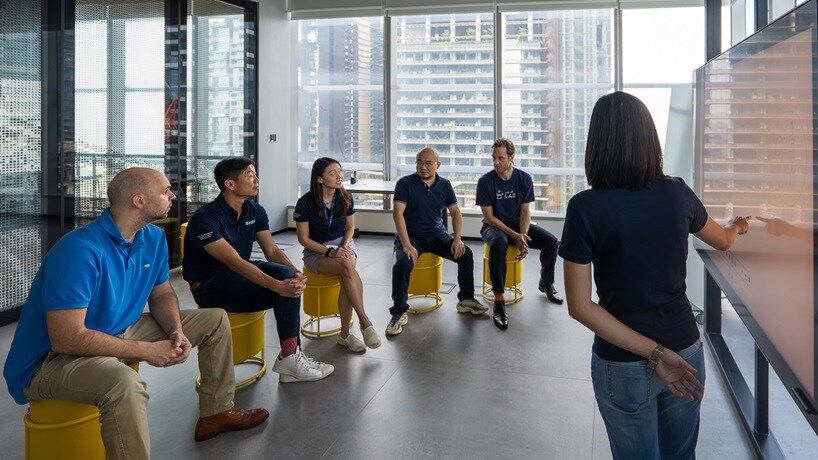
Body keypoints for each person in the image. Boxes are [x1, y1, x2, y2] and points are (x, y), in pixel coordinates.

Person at [3, 167, 269, 459]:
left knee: (214, 319)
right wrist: (146, 350)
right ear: (139, 201)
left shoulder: (152, 238)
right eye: (165, 190)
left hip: (116, 331)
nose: (173, 195)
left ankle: (216, 412)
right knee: (124, 383)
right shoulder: (79, 251)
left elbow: (162, 293)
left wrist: (175, 331)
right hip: (50, 361)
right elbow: (66, 338)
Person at [559, 91, 751, 459]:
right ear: (649, 139)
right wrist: (738, 227)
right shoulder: (677, 193)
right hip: (684, 349)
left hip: (622, 362)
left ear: (596, 144)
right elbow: (724, 240)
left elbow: (580, 307)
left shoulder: (585, 208)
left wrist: (654, 354)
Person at [183, 157, 333, 383]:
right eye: (250, 176)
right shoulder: (205, 219)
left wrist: (296, 273)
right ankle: (290, 357)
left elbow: (272, 250)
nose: (257, 180)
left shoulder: (254, 210)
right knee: (283, 288)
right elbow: (234, 262)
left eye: (255, 175)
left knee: (289, 279)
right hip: (210, 285)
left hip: (236, 275)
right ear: (230, 184)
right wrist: (277, 286)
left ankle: (291, 356)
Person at [385, 147, 487, 336]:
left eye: (428, 163)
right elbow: (398, 213)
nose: (423, 167)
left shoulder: (445, 185)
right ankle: (399, 312)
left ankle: (466, 300)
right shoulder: (405, 183)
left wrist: (457, 240)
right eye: (419, 162)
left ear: (438, 165)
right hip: (412, 237)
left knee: (466, 254)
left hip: (436, 234)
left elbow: (456, 212)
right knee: (402, 264)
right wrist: (406, 244)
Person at [293, 157, 381, 352]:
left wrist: (344, 246)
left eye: (340, 171)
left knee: (346, 268)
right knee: (347, 267)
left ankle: (345, 334)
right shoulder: (305, 203)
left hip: (343, 245)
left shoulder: (345, 197)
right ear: (320, 179)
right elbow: (303, 239)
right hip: (316, 251)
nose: (339, 176)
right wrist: (329, 252)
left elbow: (350, 228)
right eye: (332, 173)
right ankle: (364, 322)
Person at [476, 138, 563, 330]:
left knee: (551, 242)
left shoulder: (524, 178)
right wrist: (515, 235)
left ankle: (546, 283)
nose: (496, 162)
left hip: (518, 224)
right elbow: (489, 217)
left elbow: (525, 211)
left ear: (511, 158)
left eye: (500, 158)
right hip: (494, 227)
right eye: (493, 158)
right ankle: (499, 299)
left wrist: (522, 236)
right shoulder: (485, 182)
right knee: (499, 243)